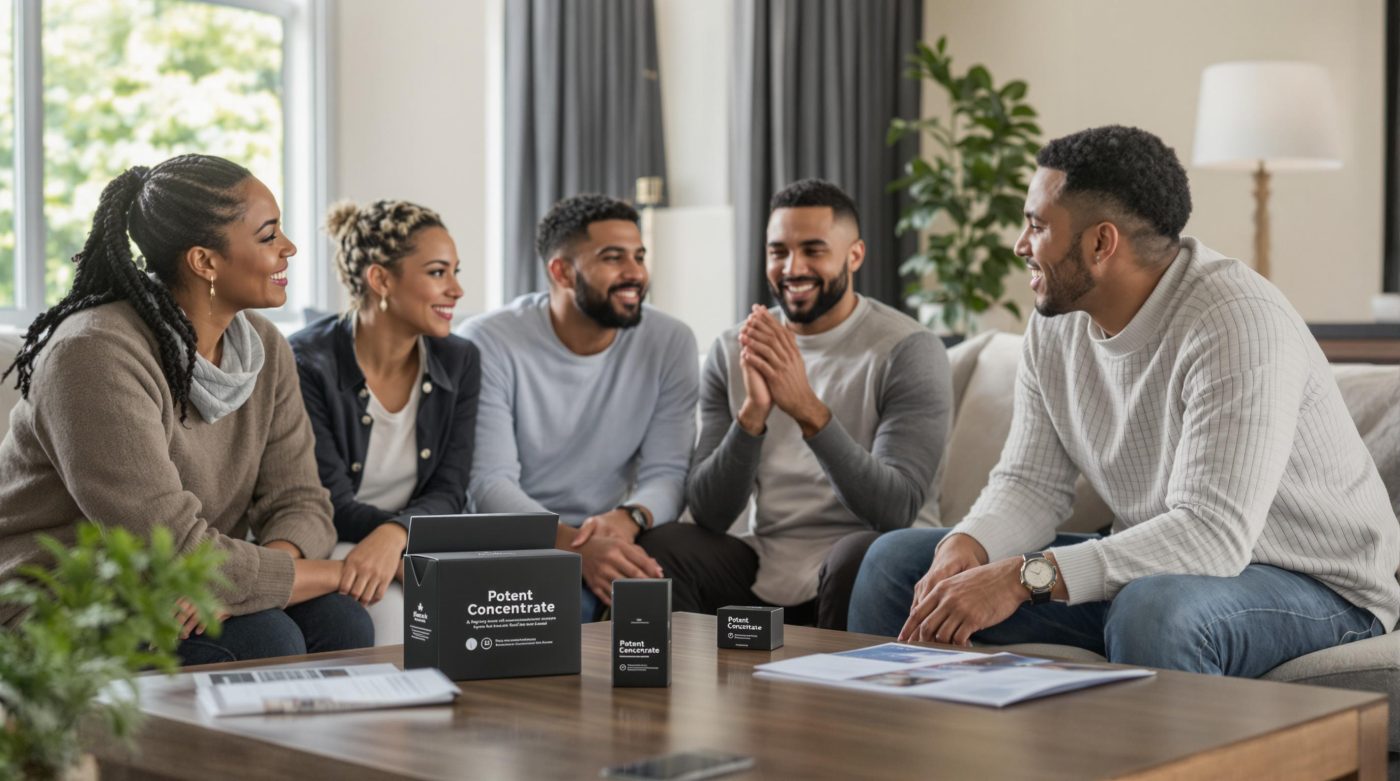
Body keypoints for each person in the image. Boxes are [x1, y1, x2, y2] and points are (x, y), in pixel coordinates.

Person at [849, 126, 1400, 676]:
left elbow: (1213, 535)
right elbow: (1030, 484)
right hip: (1163, 569)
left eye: (1037, 226)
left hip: (1319, 585)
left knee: (1154, 610)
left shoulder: (1236, 320)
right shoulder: (1057, 323)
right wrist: (968, 547)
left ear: (1100, 244)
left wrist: (1020, 577)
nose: (1020, 245)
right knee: (895, 564)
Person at [0, 154, 372, 663]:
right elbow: (169, 549)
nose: (289, 247)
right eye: (268, 236)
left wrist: (254, 582)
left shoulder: (264, 347)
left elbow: (301, 501)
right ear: (205, 262)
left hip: (182, 581)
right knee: (266, 638)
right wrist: (337, 573)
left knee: (341, 620)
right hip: (61, 597)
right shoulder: (93, 355)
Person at [638, 178, 952, 629]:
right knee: (663, 547)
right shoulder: (734, 349)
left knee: (858, 555)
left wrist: (807, 409)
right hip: (771, 561)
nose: (792, 267)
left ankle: (832, 677)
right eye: (778, 252)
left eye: (813, 250)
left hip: (871, 560)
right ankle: (685, 678)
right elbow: (709, 514)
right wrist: (753, 416)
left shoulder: (908, 349)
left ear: (855, 255)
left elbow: (894, 510)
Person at [458, 193, 698, 622]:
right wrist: (575, 546)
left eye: (639, 256)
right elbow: (489, 484)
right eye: (613, 258)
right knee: (568, 607)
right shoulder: (487, 341)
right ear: (562, 271)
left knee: (662, 588)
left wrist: (629, 518)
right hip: (511, 538)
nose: (635, 273)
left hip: (609, 531)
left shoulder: (670, 341)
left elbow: (668, 472)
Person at [289, 200, 480, 644]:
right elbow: (327, 500)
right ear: (380, 280)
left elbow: (451, 489)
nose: (456, 290)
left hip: (411, 541)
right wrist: (396, 541)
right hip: (333, 538)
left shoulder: (460, 359)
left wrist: (398, 534)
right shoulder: (306, 362)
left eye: (455, 272)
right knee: (398, 620)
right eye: (438, 273)